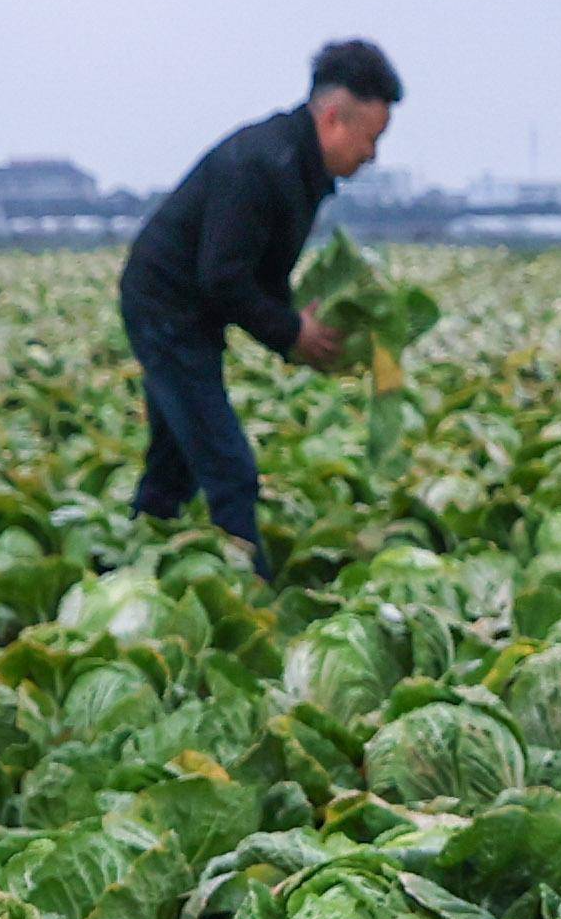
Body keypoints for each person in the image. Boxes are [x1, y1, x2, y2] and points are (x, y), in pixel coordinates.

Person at [119, 38, 398, 578]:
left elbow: (257, 273)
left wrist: (295, 320)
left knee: (175, 455)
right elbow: (222, 276)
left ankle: (132, 556)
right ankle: (251, 589)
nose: (372, 155)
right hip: (166, 307)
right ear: (335, 118)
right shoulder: (261, 163)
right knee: (228, 464)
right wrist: (292, 331)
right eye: (371, 138)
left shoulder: (299, 167)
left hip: (192, 309)